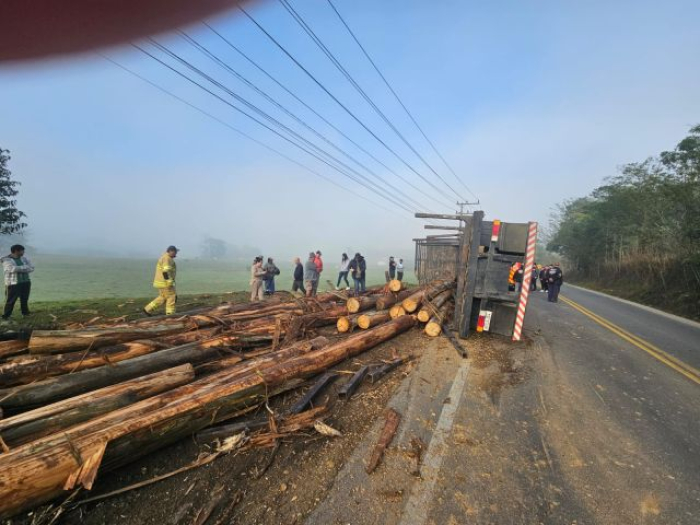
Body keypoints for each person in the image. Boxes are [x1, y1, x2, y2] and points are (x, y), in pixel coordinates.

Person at [1, 244, 35, 320]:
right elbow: (12, 269)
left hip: (26, 281)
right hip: (13, 283)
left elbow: (32, 268)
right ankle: (6, 316)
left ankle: (25, 313)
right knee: (10, 300)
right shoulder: (6, 260)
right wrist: (25, 267)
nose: (23, 252)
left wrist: (20, 268)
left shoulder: (24, 258)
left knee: (24, 299)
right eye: (22, 251)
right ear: (16, 251)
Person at [144, 245, 178, 316]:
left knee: (162, 297)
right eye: (175, 252)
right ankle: (170, 314)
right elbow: (165, 271)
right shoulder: (167, 258)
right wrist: (169, 282)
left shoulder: (164, 257)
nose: (176, 254)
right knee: (171, 297)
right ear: (171, 251)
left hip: (160, 283)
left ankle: (147, 309)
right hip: (165, 283)